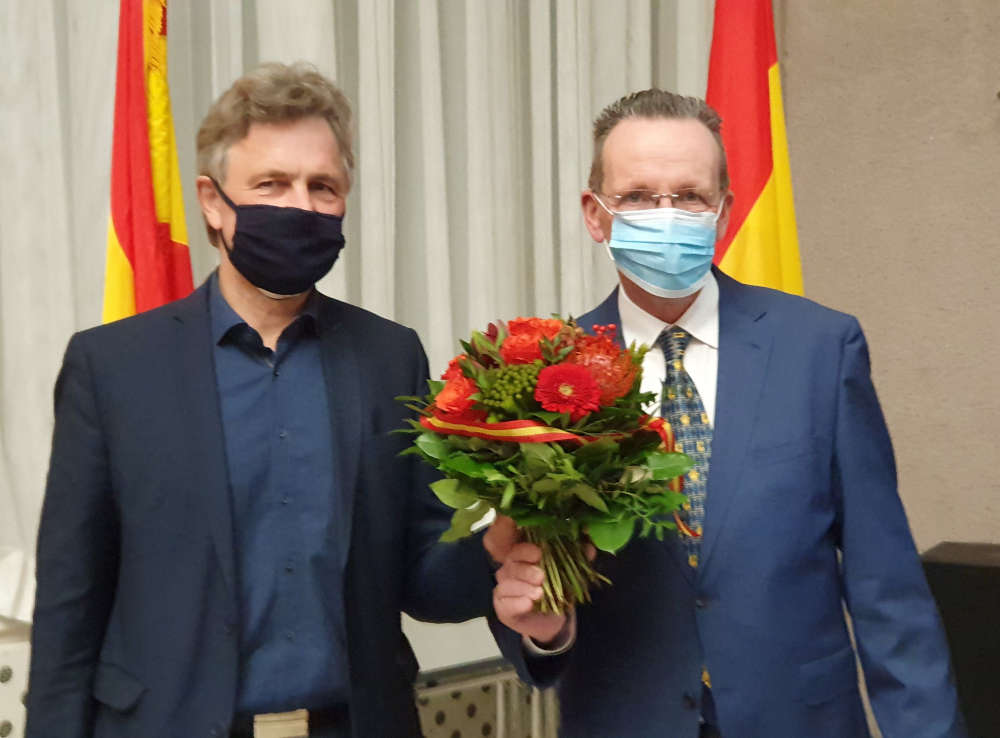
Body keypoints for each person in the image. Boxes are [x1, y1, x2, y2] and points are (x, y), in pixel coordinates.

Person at [26, 62, 493, 738]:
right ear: (213, 202)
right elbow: (71, 605)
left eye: (322, 187)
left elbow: (425, 579)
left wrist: (508, 540)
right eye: (271, 184)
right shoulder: (113, 369)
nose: (300, 206)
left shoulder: (391, 356)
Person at [485, 89, 966, 737]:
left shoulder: (819, 349)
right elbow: (526, 581)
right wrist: (546, 632)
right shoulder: (542, 378)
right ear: (595, 214)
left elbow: (887, 587)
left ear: (724, 212)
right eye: (636, 197)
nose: (667, 215)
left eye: (688, 196)